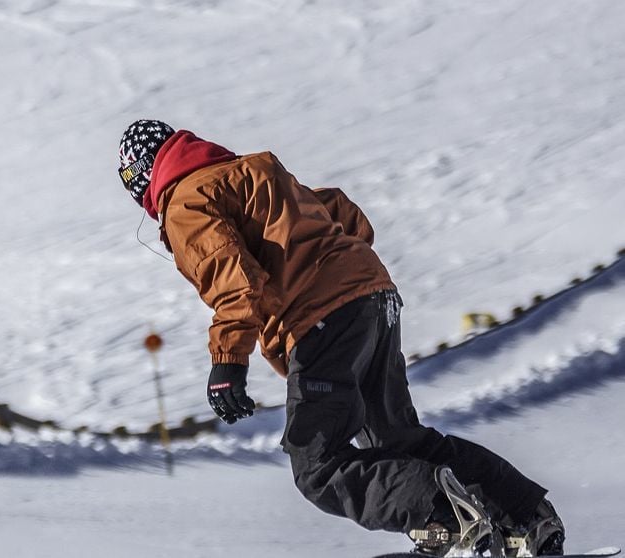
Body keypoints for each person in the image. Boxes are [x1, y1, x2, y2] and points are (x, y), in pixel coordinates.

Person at [116, 120, 565, 557]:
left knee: (317, 464)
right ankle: (528, 521)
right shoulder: (253, 170)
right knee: (397, 440)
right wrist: (341, 267)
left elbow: (235, 282)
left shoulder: (186, 201)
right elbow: (342, 211)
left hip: (323, 317)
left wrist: (227, 363)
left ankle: (448, 520)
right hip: (374, 296)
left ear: (140, 175)